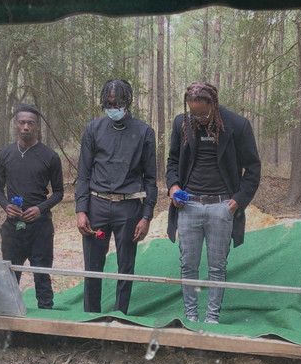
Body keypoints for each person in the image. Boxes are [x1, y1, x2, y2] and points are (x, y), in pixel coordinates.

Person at [166, 82, 261, 323]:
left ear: (213, 105)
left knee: (217, 267)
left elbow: (253, 168)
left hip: (221, 206)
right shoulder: (181, 123)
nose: (197, 118)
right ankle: (191, 317)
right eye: (192, 112)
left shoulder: (237, 125)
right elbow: (173, 161)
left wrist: (237, 201)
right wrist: (173, 186)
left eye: (202, 114)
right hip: (188, 205)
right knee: (188, 265)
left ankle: (212, 318)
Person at [75, 79, 157, 314]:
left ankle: (120, 317)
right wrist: (81, 210)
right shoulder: (93, 129)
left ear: (127, 101)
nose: (113, 108)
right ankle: (91, 317)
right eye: (109, 104)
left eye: (118, 103)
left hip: (128, 209)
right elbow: (84, 174)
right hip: (97, 207)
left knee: (126, 267)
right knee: (93, 266)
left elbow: (151, 179)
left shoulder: (144, 132)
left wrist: (146, 216)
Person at [0, 104, 64, 309]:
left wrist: (40, 209)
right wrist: (6, 206)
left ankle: (45, 315)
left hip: (40, 227)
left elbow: (59, 192)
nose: (26, 127)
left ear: (38, 126)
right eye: (22, 122)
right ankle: (9, 318)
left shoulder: (50, 156)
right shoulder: (4, 155)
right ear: (15, 124)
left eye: (30, 123)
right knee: (10, 276)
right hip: (13, 226)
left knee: (42, 275)